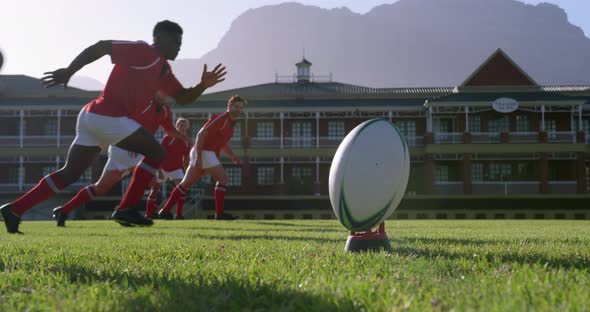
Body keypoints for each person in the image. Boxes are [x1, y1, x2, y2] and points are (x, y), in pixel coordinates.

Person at [1, 20, 226, 234]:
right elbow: (102, 47)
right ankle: (126, 208)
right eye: (175, 41)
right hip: (107, 116)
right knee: (157, 152)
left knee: (69, 174)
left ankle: (15, 209)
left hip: (92, 116)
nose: (179, 47)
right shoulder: (145, 52)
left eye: (181, 43)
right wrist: (69, 71)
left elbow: (184, 98)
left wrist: (202, 85)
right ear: (158, 38)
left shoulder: (163, 70)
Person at [52, 107, 185, 227]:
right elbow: (126, 118)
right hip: (126, 148)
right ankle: (125, 211)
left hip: (125, 149)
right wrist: (134, 142)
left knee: (100, 187)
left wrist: (183, 137)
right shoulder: (144, 101)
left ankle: (63, 210)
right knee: (151, 179)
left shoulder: (164, 109)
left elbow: (167, 129)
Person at [159, 95, 244, 221]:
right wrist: (199, 156)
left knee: (185, 184)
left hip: (203, 153)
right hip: (204, 152)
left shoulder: (231, 125)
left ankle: (164, 212)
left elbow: (223, 144)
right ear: (229, 107)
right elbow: (200, 134)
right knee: (223, 179)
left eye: (241, 108)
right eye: (236, 107)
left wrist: (232, 156)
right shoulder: (221, 118)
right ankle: (219, 215)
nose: (239, 110)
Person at [145, 118, 191, 220]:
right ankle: (149, 214)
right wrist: (158, 169)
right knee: (155, 190)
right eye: (180, 125)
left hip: (176, 168)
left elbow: (186, 158)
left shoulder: (187, 141)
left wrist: (187, 171)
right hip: (163, 167)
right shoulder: (168, 138)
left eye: (185, 125)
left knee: (182, 190)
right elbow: (160, 153)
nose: (183, 127)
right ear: (176, 126)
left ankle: (178, 215)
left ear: (187, 127)